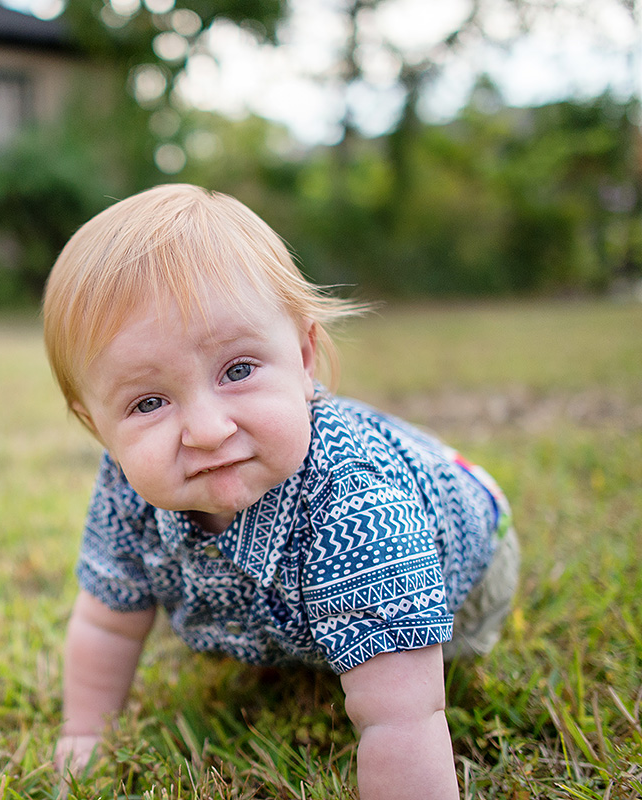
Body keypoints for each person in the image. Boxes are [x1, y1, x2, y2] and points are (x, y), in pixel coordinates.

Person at [41, 184, 519, 799]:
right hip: (283, 592)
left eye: (238, 370)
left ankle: (340, 628)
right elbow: (108, 620)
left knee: (390, 663)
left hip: (464, 562)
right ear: (95, 424)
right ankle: (295, 633)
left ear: (303, 356)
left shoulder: (356, 502)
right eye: (149, 402)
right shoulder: (123, 488)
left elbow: (404, 717)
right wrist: (84, 736)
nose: (209, 431)